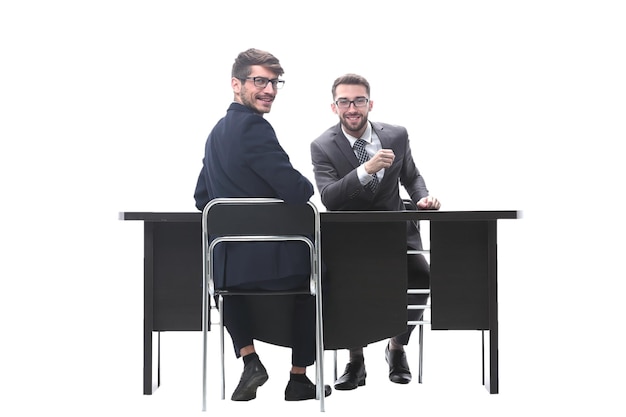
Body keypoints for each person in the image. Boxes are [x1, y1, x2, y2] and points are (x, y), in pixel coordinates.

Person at [193, 48, 331, 402]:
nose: (268, 89)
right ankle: (299, 378)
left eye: (274, 82)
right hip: (276, 267)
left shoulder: (215, 135)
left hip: (228, 271)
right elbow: (297, 191)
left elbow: (201, 197)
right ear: (236, 84)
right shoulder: (255, 128)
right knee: (318, 276)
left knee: (226, 289)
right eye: (259, 81)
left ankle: (250, 358)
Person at [310, 73, 441, 390]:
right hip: (350, 240)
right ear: (334, 106)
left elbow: (411, 175)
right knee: (342, 287)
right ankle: (355, 361)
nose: (351, 108)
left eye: (358, 100)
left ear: (369, 103)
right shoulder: (323, 146)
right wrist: (366, 169)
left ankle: (396, 349)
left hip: (396, 234)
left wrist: (423, 196)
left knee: (422, 278)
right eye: (344, 101)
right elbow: (329, 197)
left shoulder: (396, 135)